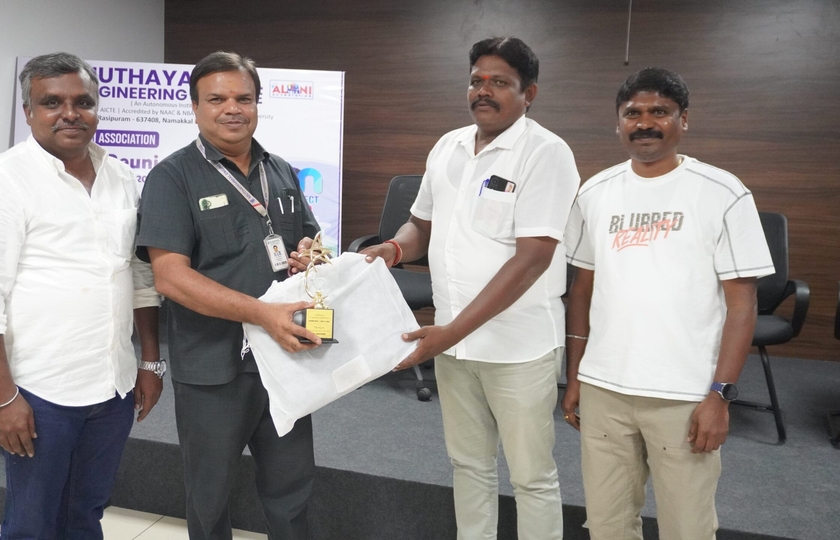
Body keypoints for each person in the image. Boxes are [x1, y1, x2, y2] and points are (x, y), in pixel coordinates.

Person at [363, 37, 580, 540]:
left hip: (518, 348)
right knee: (469, 465)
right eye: (476, 80)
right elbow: (421, 226)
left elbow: (532, 259)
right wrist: (392, 249)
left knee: (531, 477)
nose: (483, 91)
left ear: (529, 93)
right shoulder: (449, 146)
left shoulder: (546, 153)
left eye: (499, 82)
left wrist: (450, 331)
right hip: (454, 346)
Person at [561, 67, 774, 540]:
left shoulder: (723, 193)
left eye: (659, 111)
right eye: (632, 113)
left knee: (687, 529)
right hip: (605, 388)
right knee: (608, 525)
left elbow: (742, 306)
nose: (644, 123)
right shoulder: (594, 193)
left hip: (685, 395)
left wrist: (720, 395)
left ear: (684, 120)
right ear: (618, 123)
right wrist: (575, 376)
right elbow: (581, 292)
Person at [0, 52, 163, 539]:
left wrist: (150, 362)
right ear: (28, 111)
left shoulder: (121, 176)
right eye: (52, 102)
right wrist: (3, 398)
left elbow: (139, 277)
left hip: (112, 385)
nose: (70, 113)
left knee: (86, 512)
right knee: (32, 523)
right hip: (40, 389)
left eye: (82, 102)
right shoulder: (1, 179)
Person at [136, 51, 322, 540]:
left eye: (244, 98)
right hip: (214, 366)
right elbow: (170, 278)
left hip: (285, 360)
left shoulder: (280, 171)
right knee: (210, 495)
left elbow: (310, 238)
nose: (232, 109)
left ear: (258, 104)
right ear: (195, 107)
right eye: (217, 99)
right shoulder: (172, 178)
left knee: (292, 488)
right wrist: (262, 313)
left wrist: (309, 254)